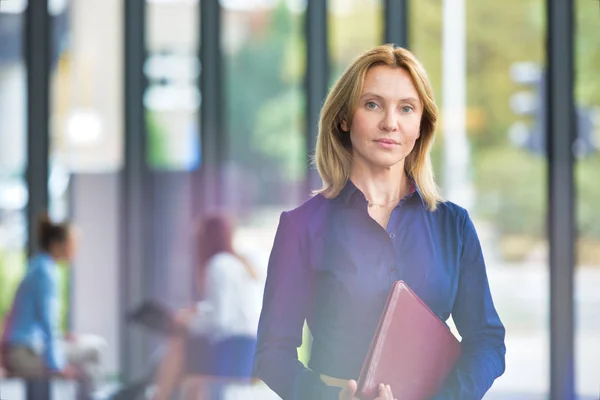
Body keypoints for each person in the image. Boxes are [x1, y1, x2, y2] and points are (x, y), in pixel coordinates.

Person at [253, 44, 506, 400]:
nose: (390, 122)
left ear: (420, 126)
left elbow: (487, 341)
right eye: (372, 104)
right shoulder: (302, 227)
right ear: (343, 118)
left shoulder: (454, 225)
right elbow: (272, 353)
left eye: (406, 108)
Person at [151, 212, 265, 400]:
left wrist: (188, 321)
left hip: (234, 348)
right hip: (252, 348)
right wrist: (200, 311)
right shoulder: (240, 264)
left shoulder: (218, 264)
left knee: (177, 345)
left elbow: (221, 321)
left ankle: (158, 396)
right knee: (189, 368)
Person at [0, 213, 107, 399]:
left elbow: (33, 320)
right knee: (96, 349)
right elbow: (48, 323)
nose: (76, 248)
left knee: (87, 363)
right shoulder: (46, 272)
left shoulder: (38, 266)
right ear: (57, 244)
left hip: (22, 348)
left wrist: (61, 338)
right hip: (23, 353)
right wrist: (57, 365)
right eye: (72, 242)